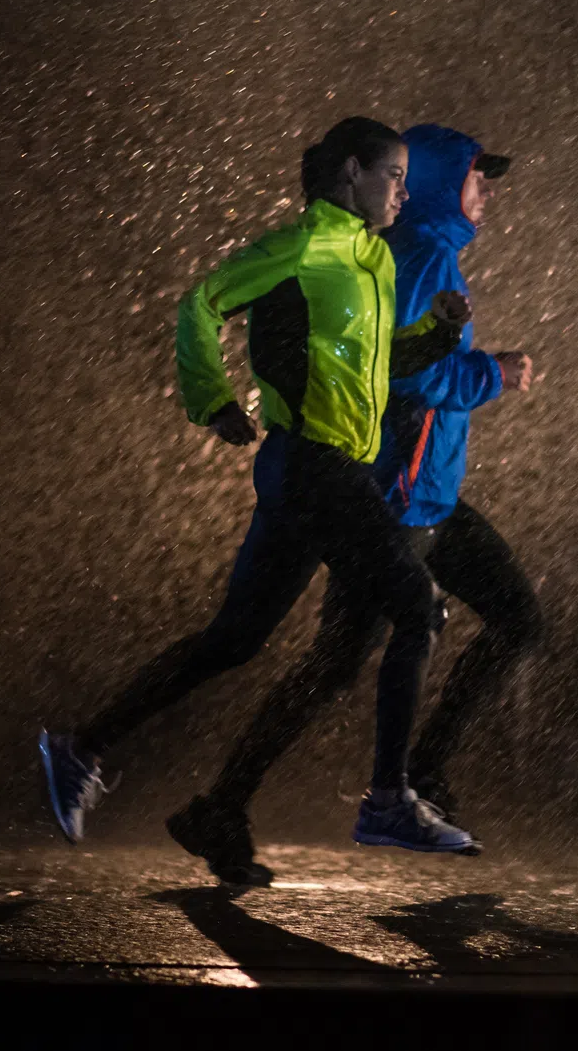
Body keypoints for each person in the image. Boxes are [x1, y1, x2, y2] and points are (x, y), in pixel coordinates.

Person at [39, 116, 482, 865]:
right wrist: (210, 397)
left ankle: (80, 746)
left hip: (317, 471)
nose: (404, 192)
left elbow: (365, 367)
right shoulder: (303, 247)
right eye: (394, 176)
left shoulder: (370, 258)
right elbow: (201, 301)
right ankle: (385, 802)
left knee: (234, 640)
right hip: (311, 466)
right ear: (350, 173)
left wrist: (435, 340)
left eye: (407, 178)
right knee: (416, 607)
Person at [174, 123, 545, 883]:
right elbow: (396, 380)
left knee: (512, 620)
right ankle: (236, 801)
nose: (490, 194)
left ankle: (417, 776)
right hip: (398, 499)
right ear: (445, 182)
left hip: (430, 496)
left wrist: (473, 365)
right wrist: (489, 374)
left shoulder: (425, 250)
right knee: (336, 663)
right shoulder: (417, 254)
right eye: (479, 178)